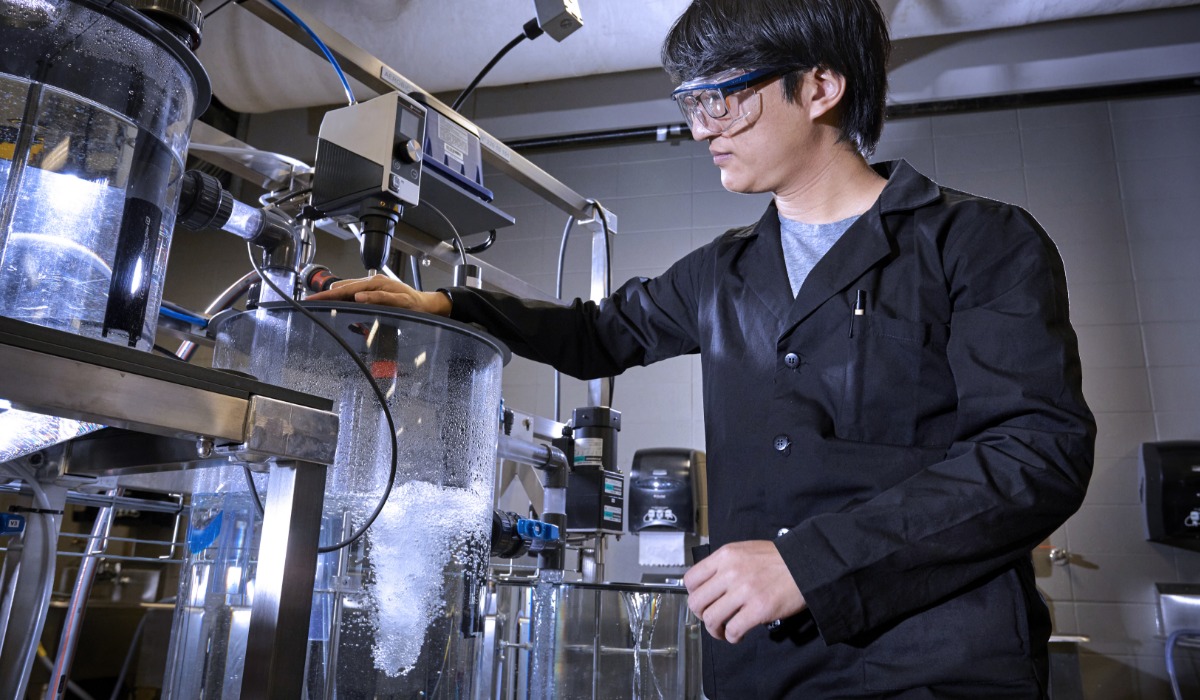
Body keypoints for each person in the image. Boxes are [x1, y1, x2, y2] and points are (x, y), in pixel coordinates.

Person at [309, 0, 1096, 696]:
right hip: (763, 668)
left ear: (820, 88)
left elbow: (1037, 454)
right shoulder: (722, 272)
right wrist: (450, 303)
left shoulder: (977, 242)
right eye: (691, 100)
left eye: (724, 97)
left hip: (931, 662)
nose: (699, 127)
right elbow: (595, 334)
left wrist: (810, 564)